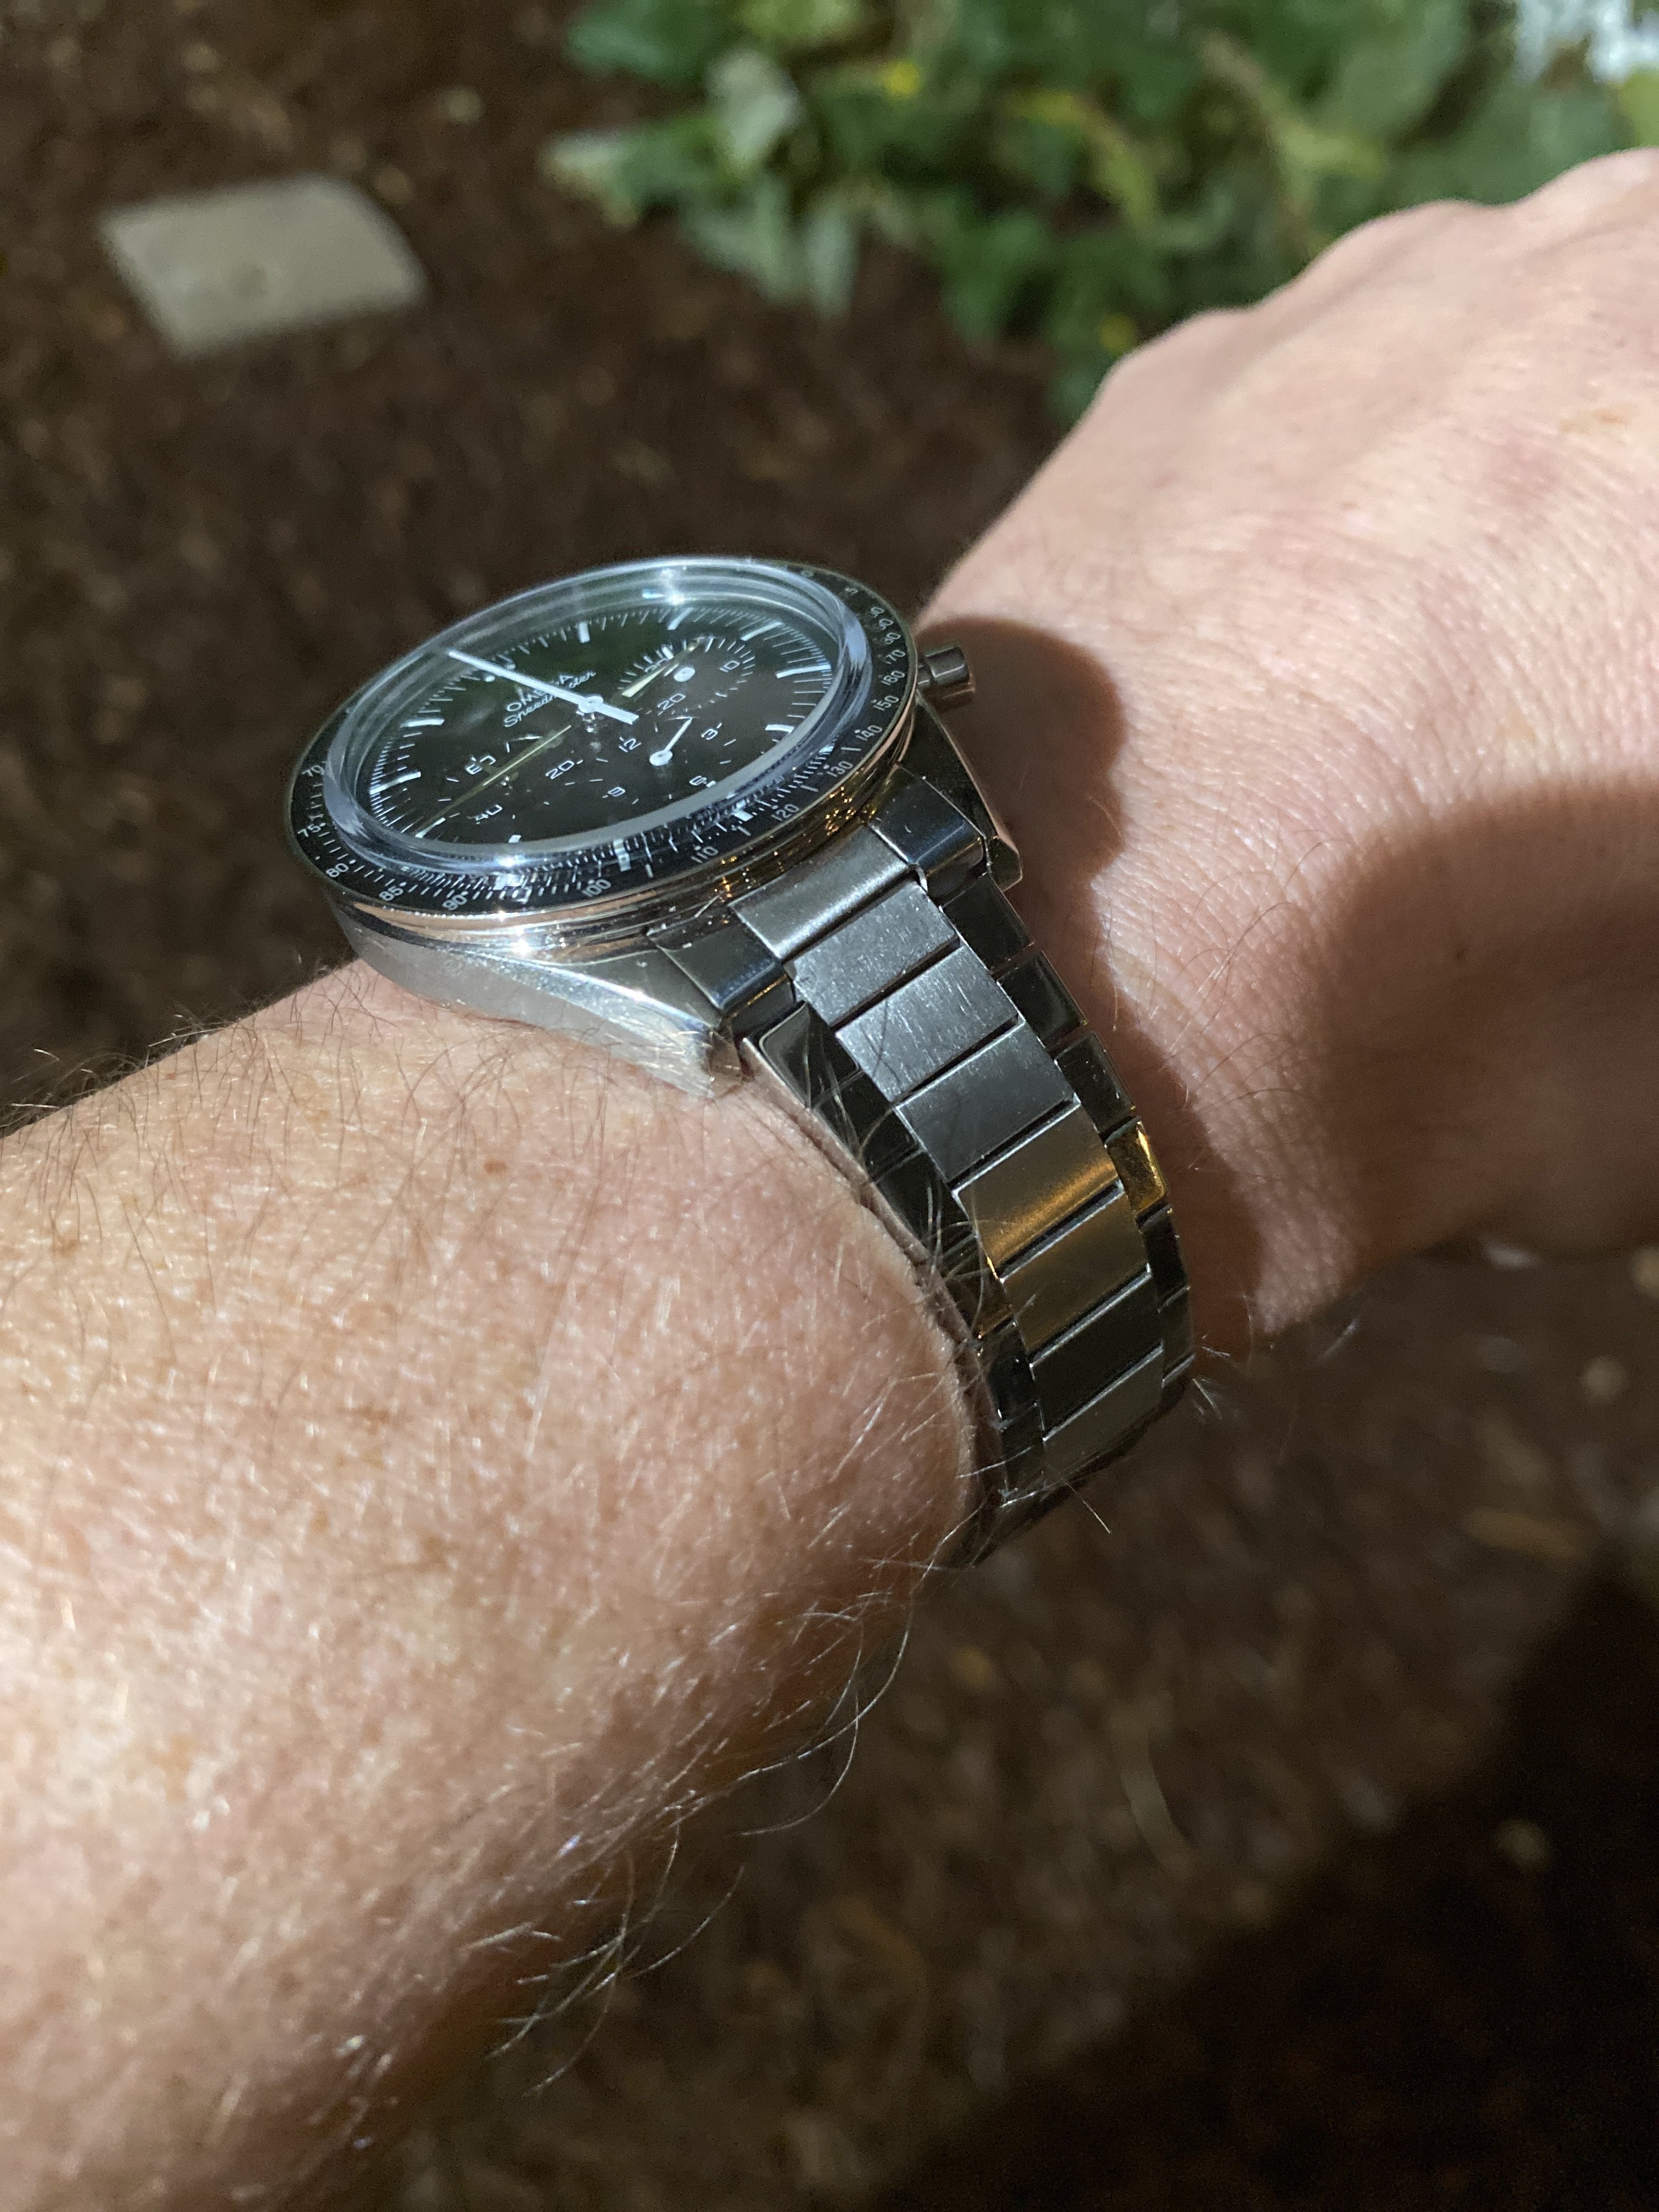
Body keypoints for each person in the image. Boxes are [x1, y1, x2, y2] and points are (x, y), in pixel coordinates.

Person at [8, 148, 1659, 2207]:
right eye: (533, 712)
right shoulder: (603, 978)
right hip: (699, 959)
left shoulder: (896, 772)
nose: (570, 704)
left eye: (594, 683)